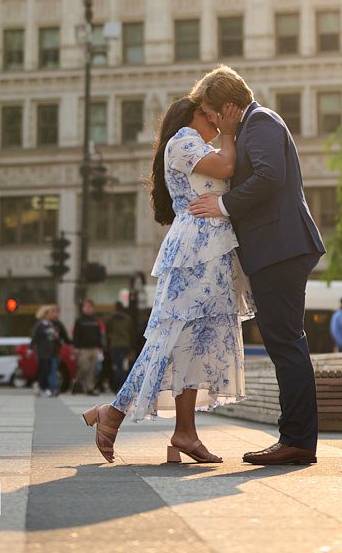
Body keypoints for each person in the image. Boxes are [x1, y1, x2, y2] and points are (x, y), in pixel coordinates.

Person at [84, 96, 250, 464]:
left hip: (213, 249)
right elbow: (225, 167)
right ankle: (117, 414)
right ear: (194, 114)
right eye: (211, 114)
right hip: (197, 250)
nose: (216, 120)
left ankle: (181, 432)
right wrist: (232, 132)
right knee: (175, 336)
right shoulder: (184, 140)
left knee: (193, 341)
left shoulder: (196, 143)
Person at [187, 66, 325, 466]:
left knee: (286, 343)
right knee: (285, 341)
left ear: (229, 107)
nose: (211, 122)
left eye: (213, 114)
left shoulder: (261, 121)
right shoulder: (248, 128)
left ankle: (297, 440)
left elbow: (270, 176)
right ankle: (296, 437)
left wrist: (223, 205)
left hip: (280, 248)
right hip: (275, 249)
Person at [72, 299, 106, 395]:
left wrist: (101, 346)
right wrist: (76, 347)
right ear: (83, 308)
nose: (88, 309)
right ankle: (77, 382)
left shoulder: (96, 321)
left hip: (94, 347)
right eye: (86, 307)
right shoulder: (79, 321)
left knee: (92, 369)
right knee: (84, 367)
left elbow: (99, 334)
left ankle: (90, 388)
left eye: (89, 307)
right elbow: (76, 335)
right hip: (83, 348)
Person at [106, 301, 135, 392]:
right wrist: (132, 348)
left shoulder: (111, 319)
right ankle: (121, 386)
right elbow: (132, 334)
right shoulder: (128, 319)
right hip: (125, 345)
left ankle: (118, 386)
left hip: (114, 345)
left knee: (117, 366)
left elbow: (107, 332)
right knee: (122, 366)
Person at [31, 305, 59, 397]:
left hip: (50, 352)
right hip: (42, 352)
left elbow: (53, 337)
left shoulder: (51, 325)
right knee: (45, 370)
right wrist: (31, 348)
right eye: (50, 312)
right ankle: (44, 387)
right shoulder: (40, 325)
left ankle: (40, 386)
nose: (52, 314)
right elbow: (35, 337)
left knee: (49, 370)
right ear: (45, 314)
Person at [49, 305, 69, 395]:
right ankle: (53, 388)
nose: (55, 314)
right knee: (52, 369)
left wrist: (73, 343)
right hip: (47, 351)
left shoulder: (59, 324)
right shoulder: (45, 324)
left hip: (56, 351)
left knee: (54, 369)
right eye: (52, 311)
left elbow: (65, 337)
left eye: (56, 312)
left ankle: (52, 387)